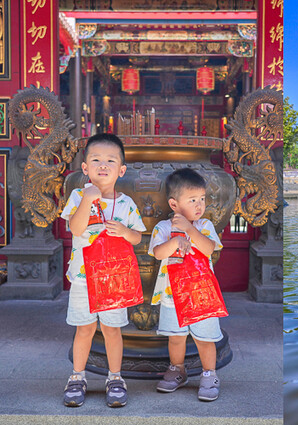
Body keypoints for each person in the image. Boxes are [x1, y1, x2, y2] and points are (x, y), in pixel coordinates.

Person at [61, 134, 146, 407]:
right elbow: (74, 229)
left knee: (112, 330)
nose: (103, 165)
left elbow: (137, 238)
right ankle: (77, 377)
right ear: (85, 168)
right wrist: (87, 199)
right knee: (84, 328)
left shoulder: (126, 203)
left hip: (114, 280)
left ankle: (115, 377)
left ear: (121, 170)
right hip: (84, 278)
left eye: (110, 160)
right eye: (95, 160)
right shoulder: (77, 196)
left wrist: (124, 231)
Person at [149, 168, 225, 401]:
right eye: (192, 200)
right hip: (173, 295)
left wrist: (190, 231)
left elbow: (210, 248)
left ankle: (209, 374)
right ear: (174, 204)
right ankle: (177, 370)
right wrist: (176, 240)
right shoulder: (163, 228)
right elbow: (158, 253)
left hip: (201, 294)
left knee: (205, 338)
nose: (199, 205)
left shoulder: (205, 226)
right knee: (176, 337)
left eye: (202, 199)